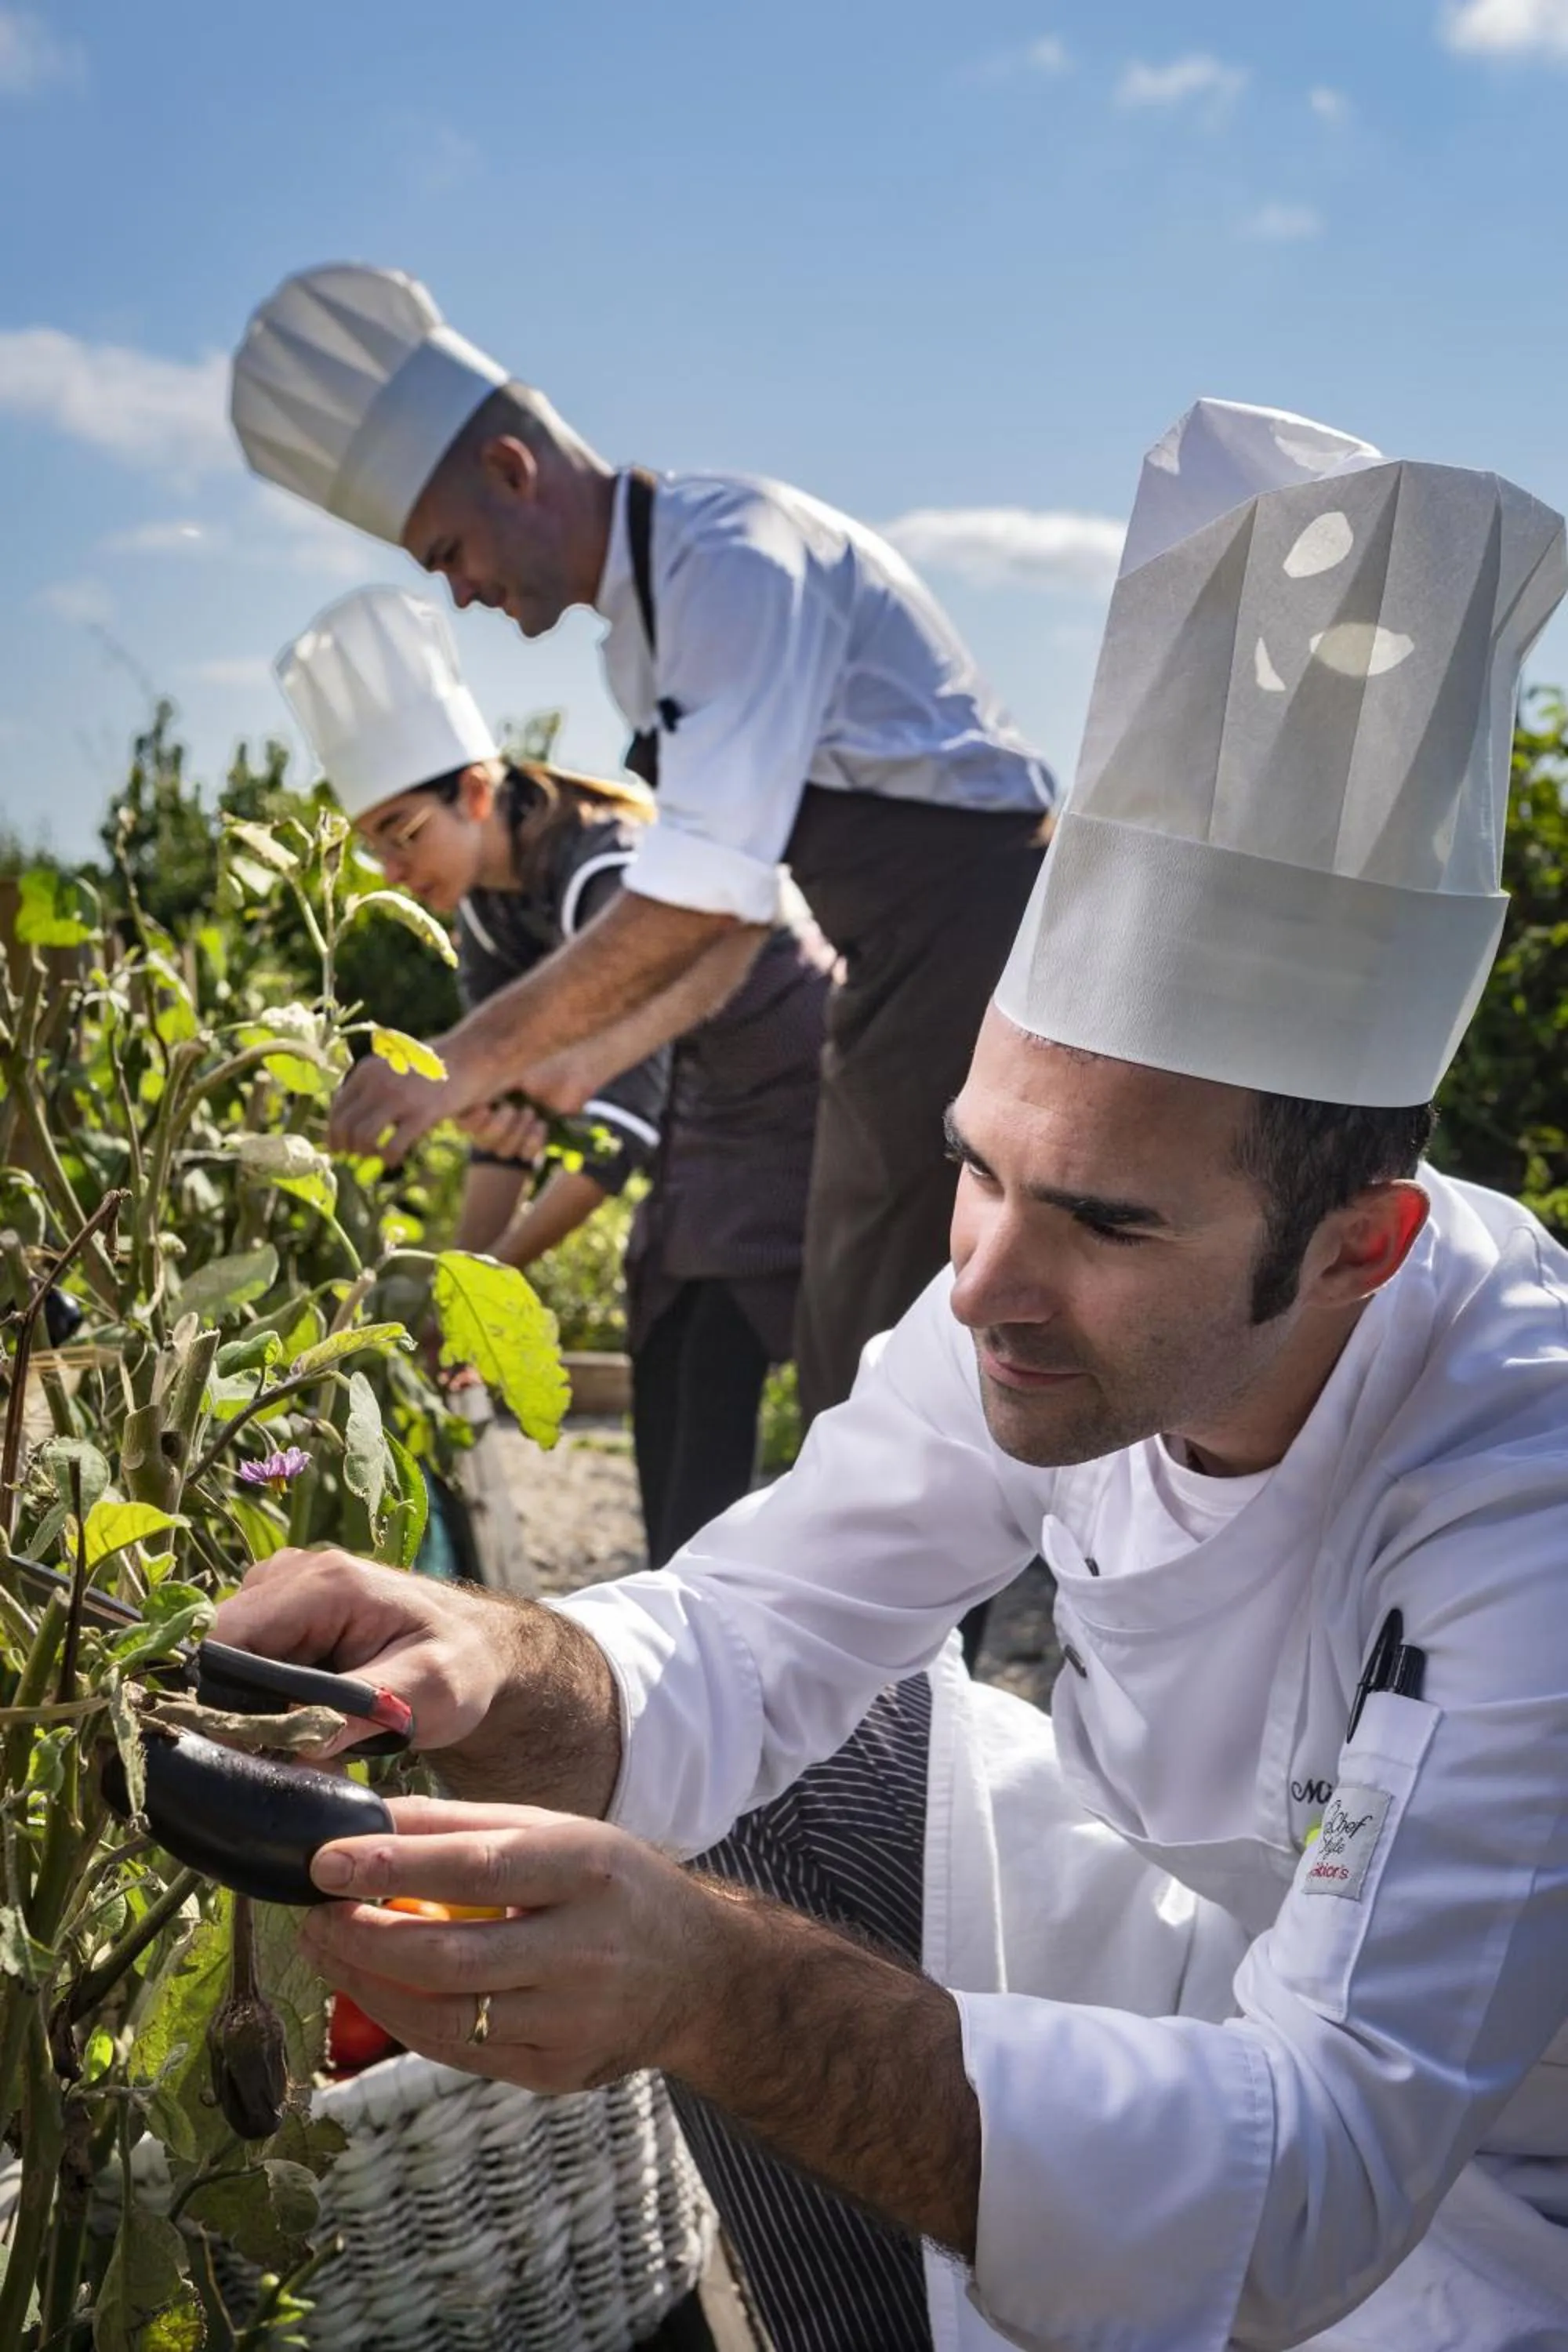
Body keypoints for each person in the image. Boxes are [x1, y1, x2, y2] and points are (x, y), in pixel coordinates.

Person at [214, 398, 1568, 2352]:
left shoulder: (1518, 1495)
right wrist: (491, 1665)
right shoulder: (1019, 1300)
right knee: (772, 1803)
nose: (984, 1279)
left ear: (1360, 1241)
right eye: (974, 1164)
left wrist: (714, 1990)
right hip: (1228, 1976)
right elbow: (747, 1631)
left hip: (1488, 2177)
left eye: (1105, 1223)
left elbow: (1329, 2164)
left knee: (748, 1954)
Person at [230, 263, 1056, 1432]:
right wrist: (566, 1063)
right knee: (863, 1342)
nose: (461, 593)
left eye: (449, 551)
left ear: (512, 471)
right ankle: (944, 1605)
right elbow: (740, 897)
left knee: (894, 1336)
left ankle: (966, 1606)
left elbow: (705, 898)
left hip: (978, 928)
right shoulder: (642, 646)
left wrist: (459, 1061)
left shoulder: (732, 563)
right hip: (889, 964)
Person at [276, 584, 829, 1566]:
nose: (394, 871)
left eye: (406, 832)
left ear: (476, 792)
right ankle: (692, 1598)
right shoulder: (486, 913)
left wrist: (485, 1287)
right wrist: (462, 1288)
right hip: (706, 1111)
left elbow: (614, 1140)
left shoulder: (599, 872)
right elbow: (501, 1113)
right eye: (374, 849)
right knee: (666, 1326)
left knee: (758, 1353)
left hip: (806, 1091)